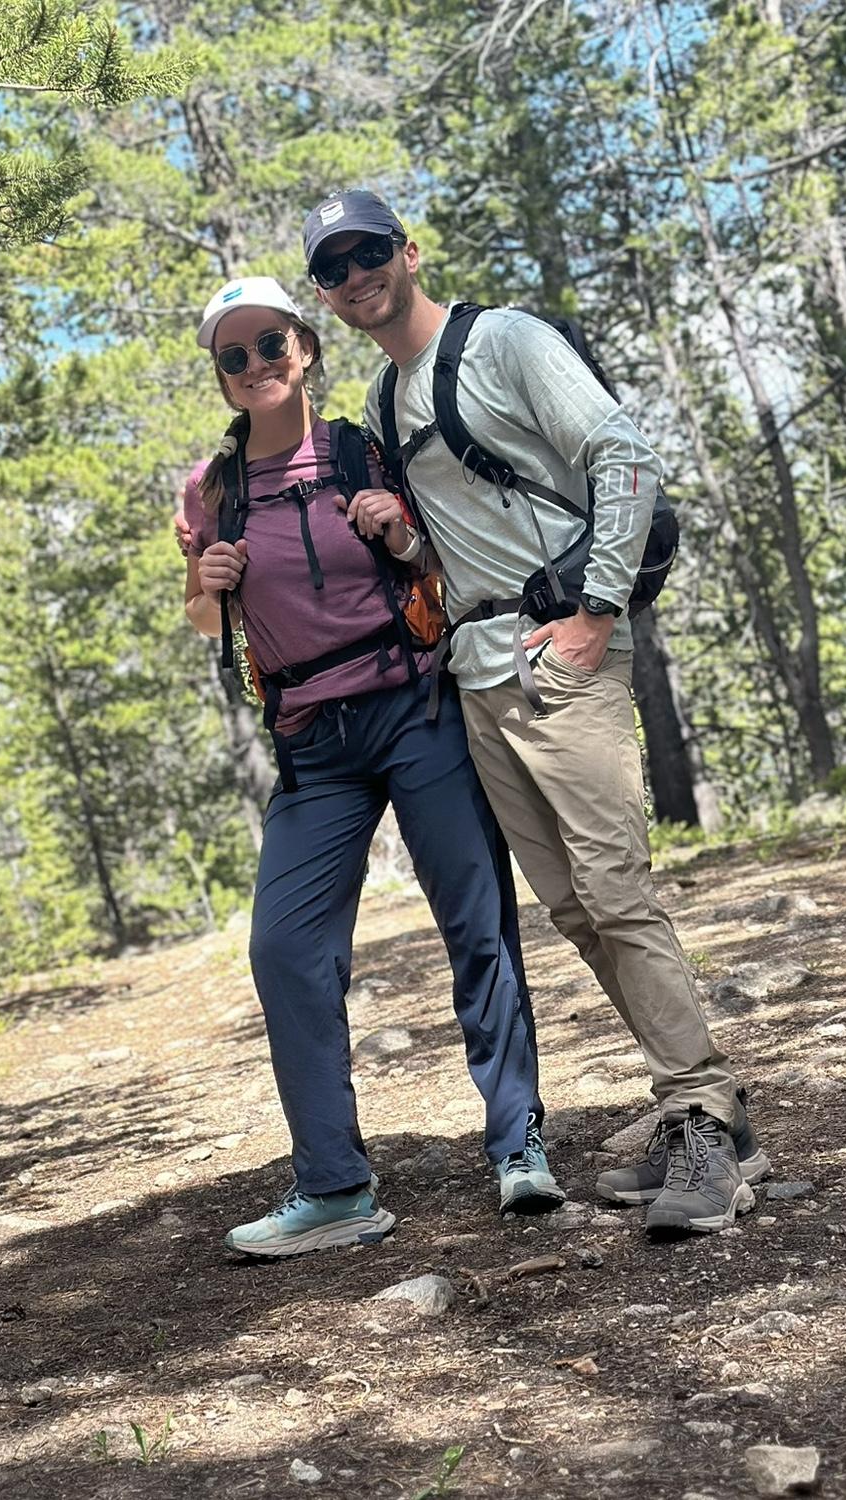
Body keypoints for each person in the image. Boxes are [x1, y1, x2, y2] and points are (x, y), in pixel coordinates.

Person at [302, 191, 772, 1238]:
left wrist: (598, 615)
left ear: (408, 253)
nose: (356, 275)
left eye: (370, 252)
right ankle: (710, 1112)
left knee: (615, 886)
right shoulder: (386, 399)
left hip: (562, 652)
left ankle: (698, 1113)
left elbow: (625, 455)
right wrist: (404, 538)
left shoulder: (502, 340)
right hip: (479, 672)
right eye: (333, 268)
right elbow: (466, 543)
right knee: (570, 905)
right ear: (325, 297)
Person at [181, 274, 563, 1258]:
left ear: (306, 348)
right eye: (236, 356)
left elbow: (439, 555)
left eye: (272, 345)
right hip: (312, 745)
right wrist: (208, 584)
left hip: (414, 706)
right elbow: (203, 618)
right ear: (222, 379)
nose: (258, 365)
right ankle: (335, 1188)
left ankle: (519, 1141)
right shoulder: (211, 489)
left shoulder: (366, 443)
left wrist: (397, 527)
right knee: (283, 949)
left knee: (476, 918)